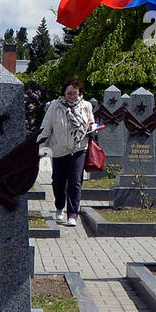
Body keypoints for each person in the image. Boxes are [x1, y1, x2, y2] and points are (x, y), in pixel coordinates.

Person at [37, 77, 96, 226]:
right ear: (64, 93)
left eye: (75, 93)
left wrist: (91, 127)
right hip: (59, 149)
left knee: (75, 182)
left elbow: (91, 122)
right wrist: (39, 145)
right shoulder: (55, 106)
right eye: (69, 93)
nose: (72, 96)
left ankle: (72, 214)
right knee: (58, 182)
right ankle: (59, 207)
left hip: (79, 148)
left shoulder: (86, 106)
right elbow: (46, 127)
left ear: (79, 93)